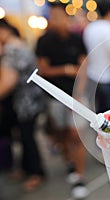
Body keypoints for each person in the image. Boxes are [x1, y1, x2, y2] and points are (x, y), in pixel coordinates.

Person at [35, 2, 88, 199]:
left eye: (59, 16)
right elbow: (44, 70)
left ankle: (80, 176)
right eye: (52, 17)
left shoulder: (77, 39)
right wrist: (66, 69)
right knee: (63, 134)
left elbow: (83, 68)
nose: (56, 21)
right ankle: (69, 163)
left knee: (77, 135)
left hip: (76, 95)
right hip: (54, 97)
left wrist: (78, 93)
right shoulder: (44, 41)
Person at [0, 18, 45, 192]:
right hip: (30, 100)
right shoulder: (19, 45)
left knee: (27, 138)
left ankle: (36, 173)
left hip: (25, 103)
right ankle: (27, 169)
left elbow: (8, 81)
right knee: (26, 136)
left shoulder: (12, 50)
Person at [83, 0, 110, 113]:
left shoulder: (89, 28)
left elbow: (87, 54)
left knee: (97, 112)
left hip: (92, 75)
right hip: (107, 78)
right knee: (109, 114)